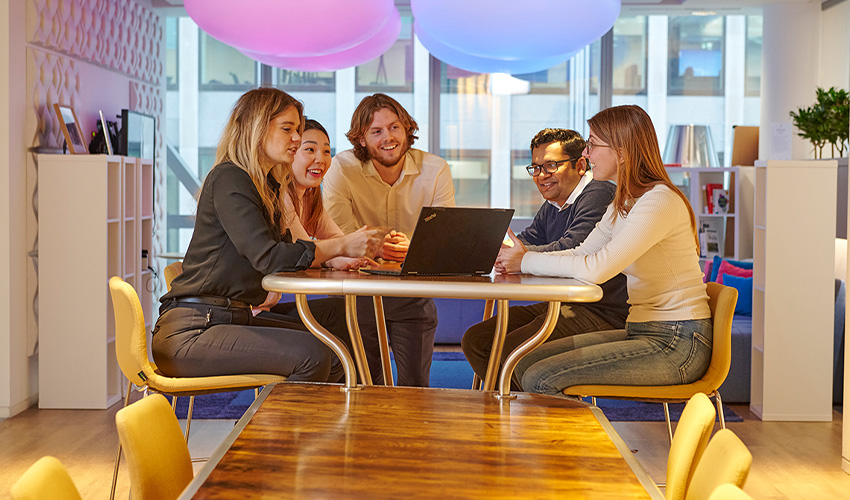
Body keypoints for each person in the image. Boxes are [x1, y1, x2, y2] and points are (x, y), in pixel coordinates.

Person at [152, 88, 384, 383]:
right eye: (288, 129)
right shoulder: (230, 178)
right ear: (256, 128)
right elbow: (269, 257)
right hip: (193, 331)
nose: (297, 139)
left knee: (336, 329)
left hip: (231, 317)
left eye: (298, 130)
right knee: (313, 354)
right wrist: (342, 246)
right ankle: (272, 429)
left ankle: (341, 420)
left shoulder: (265, 186)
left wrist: (335, 256)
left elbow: (287, 250)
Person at [503, 105, 712, 395]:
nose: (586, 154)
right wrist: (521, 260)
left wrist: (524, 261)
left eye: (592, 144)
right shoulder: (623, 203)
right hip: (642, 330)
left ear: (623, 152)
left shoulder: (658, 201)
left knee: (540, 378)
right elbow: (580, 253)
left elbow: (597, 269)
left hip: (677, 341)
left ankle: (577, 442)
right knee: (523, 365)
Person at [461, 128, 629, 384]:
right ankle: (516, 407)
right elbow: (527, 240)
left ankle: (525, 413)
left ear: (581, 165)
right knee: (477, 340)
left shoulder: (598, 193)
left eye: (550, 166)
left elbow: (575, 247)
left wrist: (519, 257)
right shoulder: (553, 204)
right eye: (535, 168)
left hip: (602, 312)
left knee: (511, 351)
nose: (541, 176)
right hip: (563, 303)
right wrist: (503, 253)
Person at [323, 93, 456, 386]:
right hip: (357, 293)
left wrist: (416, 249)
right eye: (376, 131)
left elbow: (442, 241)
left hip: (412, 294)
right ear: (360, 139)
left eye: (395, 127)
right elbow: (341, 239)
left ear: (407, 129)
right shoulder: (341, 169)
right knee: (365, 388)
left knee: (416, 389)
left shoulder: (436, 169)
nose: (388, 137)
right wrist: (399, 248)